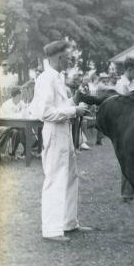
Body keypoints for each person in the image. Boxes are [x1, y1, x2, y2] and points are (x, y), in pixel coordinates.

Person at [29, 40, 91, 242]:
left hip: (64, 131)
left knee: (71, 176)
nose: (70, 60)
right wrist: (74, 110)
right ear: (59, 57)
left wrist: (75, 101)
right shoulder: (46, 79)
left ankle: (68, 223)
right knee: (55, 178)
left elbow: (60, 106)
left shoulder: (57, 78)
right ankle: (51, 230)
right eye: (68, 57)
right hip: (54, 132)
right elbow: (45, 112)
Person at [115, 57, 134, 201]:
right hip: (126, 124)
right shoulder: (121, 84)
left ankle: (133, 191)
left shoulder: (133, 83)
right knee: (128, 159)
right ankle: (126, 194)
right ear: (130, 69)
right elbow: (123, 106)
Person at [1, 86, 28, 158]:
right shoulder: (6, 105)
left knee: (24, 129)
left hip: (18, 125)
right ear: (15, 96)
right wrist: (21, 114)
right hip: (7, 126)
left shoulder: (21, 102)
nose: (21, 97)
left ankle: (27, 150)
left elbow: (26, 110)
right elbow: (10, 118)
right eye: (19, 95)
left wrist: (25, 110)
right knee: (17, 131)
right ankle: (13, 152)